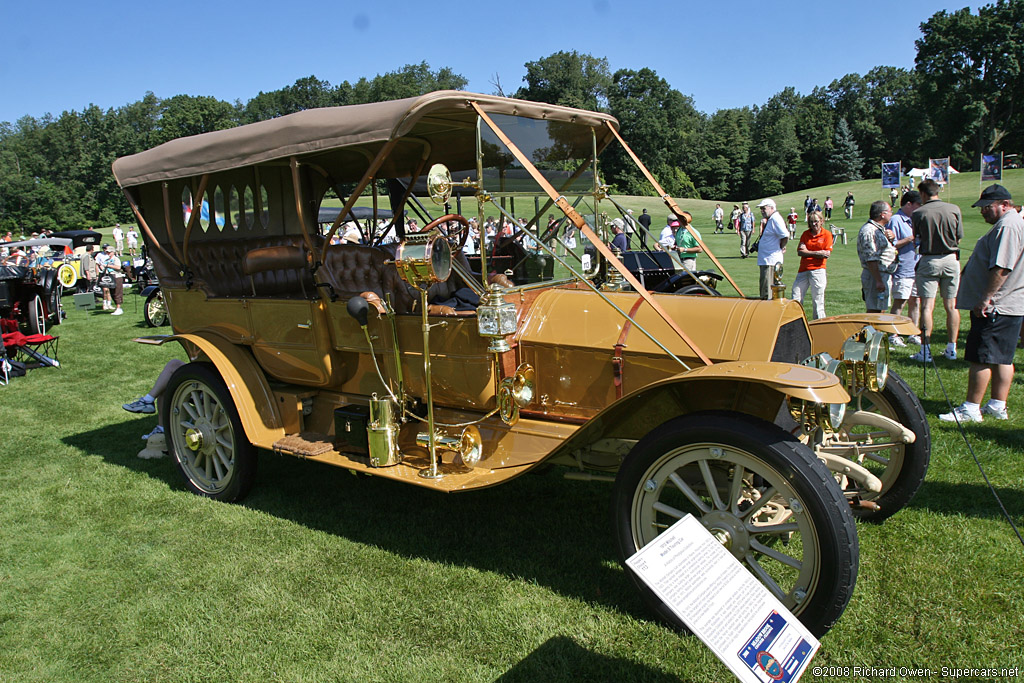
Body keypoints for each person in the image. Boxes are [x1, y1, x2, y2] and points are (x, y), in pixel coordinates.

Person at [940, 185, 1024, 422]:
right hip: (1011, 303)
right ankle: (998, 404)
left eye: (987, 207)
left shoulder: (1008, 226)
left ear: (1004, 204)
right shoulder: (1013, 223)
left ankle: (971, 408)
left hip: (997, 305)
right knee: (1002, 358)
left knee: (981, 357)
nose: (982, 212)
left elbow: (1002, 266)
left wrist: (986, 299)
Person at [911, 178, 963, 362]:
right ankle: (952, 348)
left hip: (930, 259)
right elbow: (959, 237)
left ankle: (925, 350)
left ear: (924, 194)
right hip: (951, 258)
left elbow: (917, 238)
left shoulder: (919, 213)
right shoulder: (954, 209)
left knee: (927, 306)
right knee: (951, 305)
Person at [886, 191, 923, 346]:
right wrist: (909, 239)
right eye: (917, 205)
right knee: (900, 301)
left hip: (916, 267)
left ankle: (912, 332)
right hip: (903, 268)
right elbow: (891, 245)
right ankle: (893, 334)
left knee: (916, 301)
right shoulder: (896, 220)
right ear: (909, 204)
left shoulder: (915, 219)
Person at [790, 210, 833, 319]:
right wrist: (817, 253)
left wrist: (808, 252)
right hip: (803, 270)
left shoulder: (827, 234)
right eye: (811, 221)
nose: (814, 224)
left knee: (818, 301)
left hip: (818, 270)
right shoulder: (806, 234)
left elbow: (826, 254)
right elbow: (800, 251)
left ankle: (819, 325)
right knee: (796, 297)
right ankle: (795, 321)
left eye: (816, 221)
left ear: (821, 221)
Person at [856, 201, 897, 313]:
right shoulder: (869, 230)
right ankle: (870, 331)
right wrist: (878, 280)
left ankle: (876, 331)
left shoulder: (879, 229)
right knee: (875, 312)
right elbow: (871, 257)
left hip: (882, 274)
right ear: (882, 214)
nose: (891, 214)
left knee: (880, 309)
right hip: (875, 275)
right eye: (890, 211)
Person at [756, 199, 789, 299]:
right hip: (767, 260)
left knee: (767, 291)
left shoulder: (775, 219)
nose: (762, 211)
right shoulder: (772, 219)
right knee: (766, 290)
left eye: (764, 208)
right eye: (761, 208)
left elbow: (785, 235)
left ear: (771, 208)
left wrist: (781, 246)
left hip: (770, 261)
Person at [95, 244, 124, 315]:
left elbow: (118, 267)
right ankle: (116, 307)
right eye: (107, 252)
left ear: (113, 252)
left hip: (116, 276)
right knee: (112, 292)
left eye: (109, 252)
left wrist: (108, 265)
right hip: (109, 277)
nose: (108, 253)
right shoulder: (107, 260)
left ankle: (119, 308)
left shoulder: (115, 259)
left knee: (117, 292)